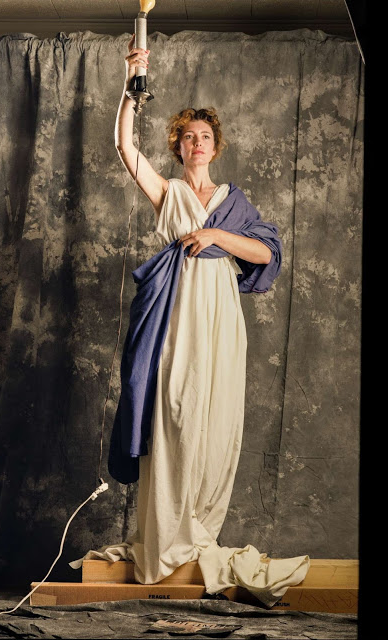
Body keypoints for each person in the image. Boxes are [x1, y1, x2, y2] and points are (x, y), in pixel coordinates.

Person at [70, 36, 309, 604]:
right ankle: (167, 538)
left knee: (216, 419)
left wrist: (217, 234)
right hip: (177, 313)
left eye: (204, 136)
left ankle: (200, 531)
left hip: (221, 318)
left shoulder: (235, 201)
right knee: (173, 414)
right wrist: (131, 86)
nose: (196, 142)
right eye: (187, 136)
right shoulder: (170, 192)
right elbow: (124, 145)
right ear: (177, 147)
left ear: (215, 146)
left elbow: (266, 253)